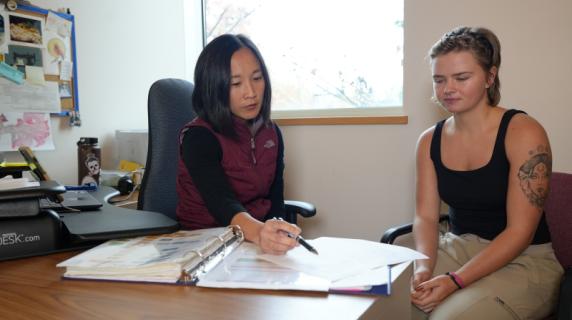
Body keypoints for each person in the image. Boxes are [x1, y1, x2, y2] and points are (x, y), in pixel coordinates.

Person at [411, 26, 563, 319]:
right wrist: (423, 268)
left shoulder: (523, 132)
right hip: (457, 248)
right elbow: (426, 217)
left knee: (449, 318)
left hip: (523, 260)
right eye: (439, 80)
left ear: (489, 77)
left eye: (462, 78)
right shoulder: (429, 140)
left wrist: (455, 280)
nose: (448, 89)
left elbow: (520, 232)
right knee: (388, 303)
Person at [176, 34, 301, 255]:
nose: (251, 93)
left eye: (257, 78)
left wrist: (277, 230)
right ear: (214, 87)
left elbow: (275, 201)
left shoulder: (271, 133)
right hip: (204, 243)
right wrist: (261, 233)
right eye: (236, 83)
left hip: (253, 242)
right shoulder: (199, 137)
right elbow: (222, 204)